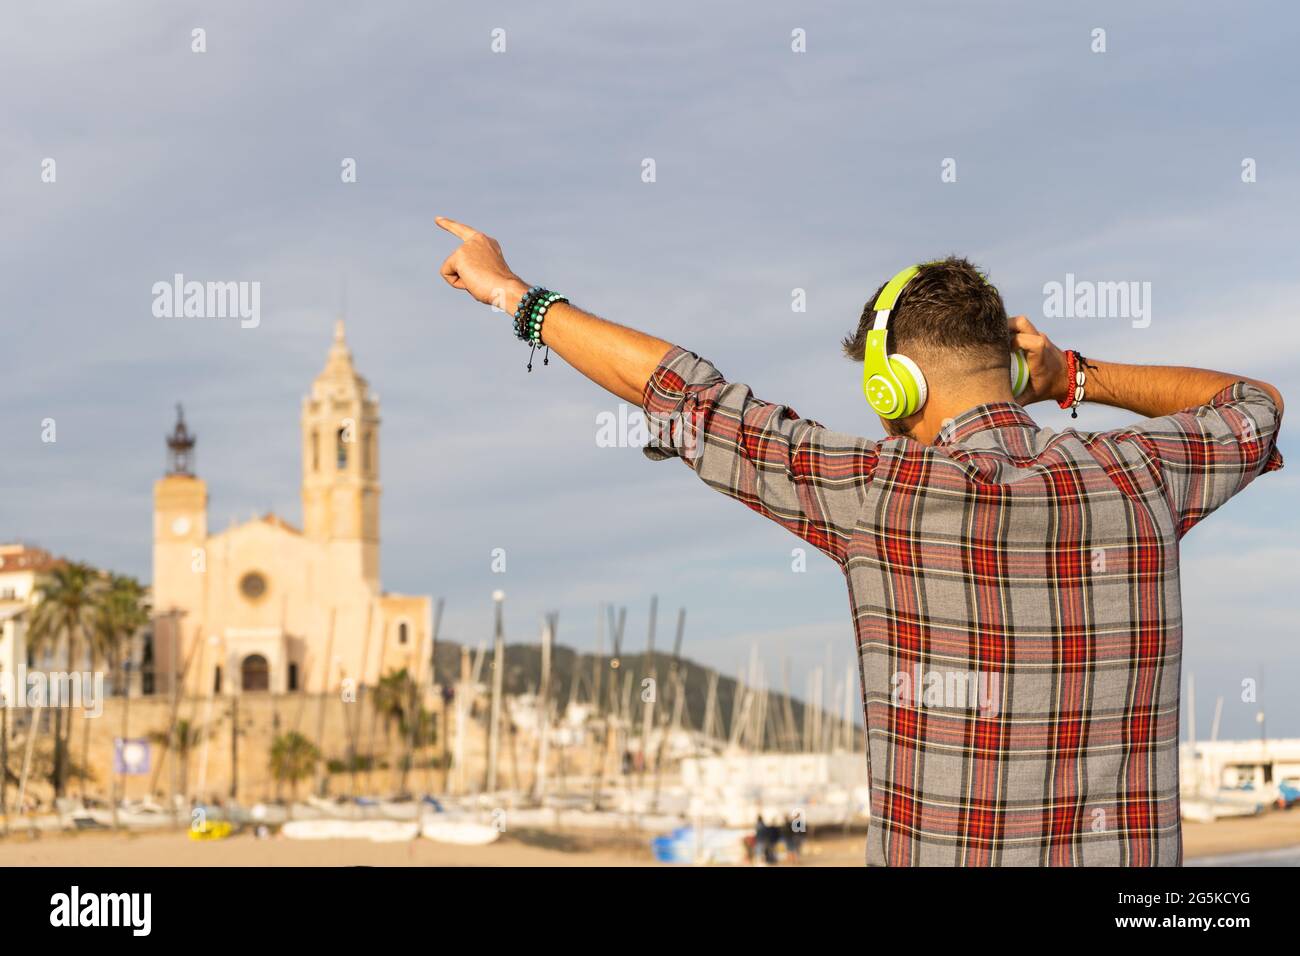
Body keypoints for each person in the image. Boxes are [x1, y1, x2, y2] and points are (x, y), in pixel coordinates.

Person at [434, 218, 1284, 867]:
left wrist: (515, 294)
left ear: (894, 386)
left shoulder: (882, 494)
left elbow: (685, 395)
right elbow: (1253, 404)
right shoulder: (1138, 476)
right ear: (1014, 371)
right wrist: (1072, 376)